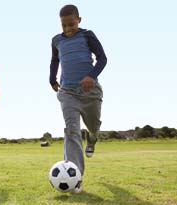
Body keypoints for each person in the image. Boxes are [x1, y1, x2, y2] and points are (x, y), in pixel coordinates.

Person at [49, 5, 107, 193]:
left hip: (90, 92)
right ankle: (76, 178)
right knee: (72, 130)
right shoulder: (56, 40)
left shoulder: (87, 35)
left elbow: (102, 58)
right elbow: (55, 60)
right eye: (64, 25)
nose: (67, 29)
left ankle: (92, 138)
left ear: (79, 20)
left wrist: (91, 76)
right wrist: (52, 79)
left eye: (71, 24)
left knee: (93, 125)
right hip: (68, 92)